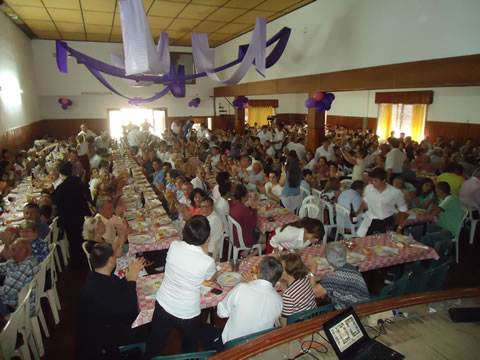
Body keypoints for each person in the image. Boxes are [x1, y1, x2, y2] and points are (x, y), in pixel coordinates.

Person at [145, 216, 217, 358]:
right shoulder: (207, 261)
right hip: (187, 311)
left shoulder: (174, 245)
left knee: (154, 344)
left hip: (163, 303)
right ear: (207, 237)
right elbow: (211, 277)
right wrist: (206, 249)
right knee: (190, 348)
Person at [76, 243, 147, 359]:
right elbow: (129, 311)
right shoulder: (103, 288)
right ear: (110, 260)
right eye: (114, 257)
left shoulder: (94, 276)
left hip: (101, 328)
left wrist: (129, 275)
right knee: (145, 327)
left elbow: (117, 286)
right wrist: (131, 281)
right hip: (103, 340)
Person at [217, 257, 283, 344]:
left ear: (258, 272)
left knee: (205, 330)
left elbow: (221, 313)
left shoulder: (242, 288)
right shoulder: (279, 301)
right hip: (258, 347)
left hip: (233, 346)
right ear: (277, 279)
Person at [412, 182, 466, 257]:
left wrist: (427, 213)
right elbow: (435, 209)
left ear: (440, 191)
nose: (435, 191)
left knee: (427, 238)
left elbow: (435, 213)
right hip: (440, 225)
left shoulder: (450, 199)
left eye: (436, 189)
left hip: (450, 229)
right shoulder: (446, 197)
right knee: (415, 230)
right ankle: (422, 253)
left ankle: (425, 257)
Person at [308, 242, 369, 309]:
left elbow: (312, 293)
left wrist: (313, 270)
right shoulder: (350, 267)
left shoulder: (335, 276)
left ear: (328, 260)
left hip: (354, 310)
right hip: (364, 304)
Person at [52, 161, 91, 267]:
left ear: (60, 173)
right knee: (80, 235)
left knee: (73, 239)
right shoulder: (77, 181)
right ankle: (83, 257)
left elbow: (56, 202)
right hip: (79, 213)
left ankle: (77, 262)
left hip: (68, 217)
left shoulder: (61, 187)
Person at [358, 168, 408, 236]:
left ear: (384, 180)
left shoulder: (395, 192)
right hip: (371, 221)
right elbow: (365, 202)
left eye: (375, 180)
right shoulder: (368, 188)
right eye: (372, 180)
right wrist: (356, 213)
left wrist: (400, 227)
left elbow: (403, 210)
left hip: (387, 222)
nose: (372, 183)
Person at [0, 239, 39, 316]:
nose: (15, 253)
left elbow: (7, 291)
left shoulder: (25, 267)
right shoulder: (18, 261)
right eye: (13, 250)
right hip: (18, 300)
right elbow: (4, 267)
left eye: (20, 250)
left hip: (18, 308)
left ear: (27, 251)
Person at [279, 253, 317, 327]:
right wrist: (282, 283)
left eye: (281, 269)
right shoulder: (304, 279)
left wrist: (278, 311)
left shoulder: (288, 295)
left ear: (287, 272)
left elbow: (284, 325)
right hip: (312, 318)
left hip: (300, 326)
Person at [229, 184, 265, 257]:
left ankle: (246, 251)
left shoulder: (233, 204)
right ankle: (249, 256)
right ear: (243, 196)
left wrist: (250, 208)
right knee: (265, 239)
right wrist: (254, 209)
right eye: (247, 194)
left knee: (258, 231)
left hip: (234, 235)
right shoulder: (243, 209)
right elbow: (253, 224)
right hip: (243, 238)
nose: (248, 196)